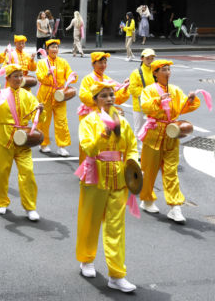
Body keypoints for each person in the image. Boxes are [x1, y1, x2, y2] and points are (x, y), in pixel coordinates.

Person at [76, 81, 139, 293]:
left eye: (111, 94)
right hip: (95, 175)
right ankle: (86, 259)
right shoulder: (88, 121)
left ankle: (116, 275)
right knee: (90, 220)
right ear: (95, 101)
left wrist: (134, 164)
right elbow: (88, 148)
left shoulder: (121, 121)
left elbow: (131, 147)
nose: (109, 98)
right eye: (103, 95)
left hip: (119, 179)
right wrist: (102, 136)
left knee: (116, 227)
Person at [139, 60, 201, 222]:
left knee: (171, 171)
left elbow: (182, 108)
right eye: (164, 70)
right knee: (149, 169)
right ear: (155, 73)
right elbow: (145, 107)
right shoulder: (149, 90)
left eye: (169, 70)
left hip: (172, 135)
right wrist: (158, 101)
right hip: (154, 134)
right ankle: (146, 199)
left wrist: (190, 100)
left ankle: (175, 207)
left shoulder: (175, 90)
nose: (168, 72)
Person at [0, 64, 46, 220]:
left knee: (28, 173)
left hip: (23, 138)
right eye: (16, 76)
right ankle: (0, 202)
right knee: (1, 172)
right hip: (3, 137)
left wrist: (40, 111)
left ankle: (30, 207)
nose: (19, 79)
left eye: (21, 76)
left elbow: (38, 119)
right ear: (8, 78)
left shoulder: (28, 95)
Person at [78, 52, 130, 162]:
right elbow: (83, 96)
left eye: (105, 62)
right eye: (100, 63)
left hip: (106, 115)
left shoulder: (108, 79)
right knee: (88, 143)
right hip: (92, 115)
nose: (103, 65)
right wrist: (98, 101)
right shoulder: (88, 79)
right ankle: (86, 171)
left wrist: (125, 88)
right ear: (93, 64)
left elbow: (118, 98)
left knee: (107, 142)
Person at [36, 39, 77, 156]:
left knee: (61, 120)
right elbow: (40, 77)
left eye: (56, 47)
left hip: (60, 94)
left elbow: (69, 75)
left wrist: (73, 75)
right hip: (45, 94)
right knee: (44, 120)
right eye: (52, 47)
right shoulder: (42, 63)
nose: (55, 49)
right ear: (47, 49)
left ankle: (62, 146)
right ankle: (43, 143)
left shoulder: (63, 62)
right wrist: (47, 74)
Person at [128, 49, 156, 150]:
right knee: (139, 129)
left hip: (154, 105)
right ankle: (138, 151)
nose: (150, 60)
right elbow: (132, 89)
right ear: (142, 59)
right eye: (147, 58)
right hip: (139, 106)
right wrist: (148, 91)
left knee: (152, 128)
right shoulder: (136, 72)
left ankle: (148, 150)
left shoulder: (156, 71)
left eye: (152, 58)